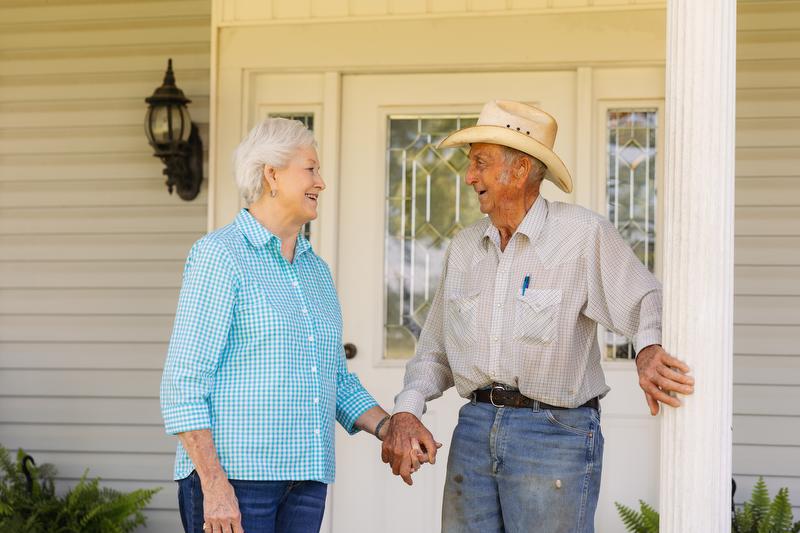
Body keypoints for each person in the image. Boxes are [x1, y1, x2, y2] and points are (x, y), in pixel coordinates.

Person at [381, 100, 696, 532]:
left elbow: (643, 299)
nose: (470, 176)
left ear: (521, 169)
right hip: (473, 430)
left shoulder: (582, 235)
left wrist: (647, 349)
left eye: (480, 163)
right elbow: (435, 352)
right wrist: (406, 411)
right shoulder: (465, 248)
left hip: (554, 433)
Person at [160, 118, 393, 533]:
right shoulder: (220, 255)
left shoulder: (316, 270)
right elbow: (183, 382)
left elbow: (334, 378)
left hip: (305, 479)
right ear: (271, 174)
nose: (321, 182)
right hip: (236, 479)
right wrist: (214, 484)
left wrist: (390, 427)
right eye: (311, 169)